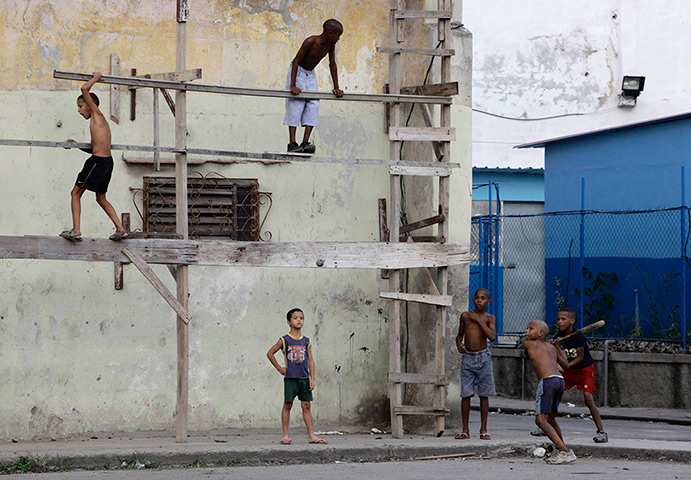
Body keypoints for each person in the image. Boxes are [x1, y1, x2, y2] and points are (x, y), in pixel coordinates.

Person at [61, 72, 128, 242]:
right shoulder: (100, 122)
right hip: (106, 161)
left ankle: (76, 230)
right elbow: (97, 149)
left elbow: (84, 88)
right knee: (100, 197)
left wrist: (96, 77)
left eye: (81, 106)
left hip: (97, 162)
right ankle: (121, 229)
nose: (79, 110)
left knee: (75, 193)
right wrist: (76, 144)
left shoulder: (97, 114)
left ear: (91, 105)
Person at [266, 308, 327, 445]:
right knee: (288, 404)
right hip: (291, 378)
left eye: (301, 318)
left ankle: (311, 435)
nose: (299, 320)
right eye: (295, 318)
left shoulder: (306, 341)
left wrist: (312, 378)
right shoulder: (284, 340)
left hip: (304, 378)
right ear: (289, 322)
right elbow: (270, 353)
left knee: (306, 405)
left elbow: (310, 360)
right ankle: (285, 435)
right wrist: (279, 368)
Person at [284, 18, 344, 154]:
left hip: (310, 73)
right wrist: (292, 85)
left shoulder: (330, 46)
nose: (338, 39)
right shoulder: (311, 41)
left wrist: (337, 87)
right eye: (338, 36)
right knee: (296, 103)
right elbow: (296, 62)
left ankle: (305, 142)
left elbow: (332, 64)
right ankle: (292, 144)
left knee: (314, 103)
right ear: (329, 33)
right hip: (298, 71)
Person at [524, 320, 576, 465]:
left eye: (530, 329)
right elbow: (565, 365)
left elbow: (527, 353)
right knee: (551, 420)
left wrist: (553, 345)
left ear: (540, 333)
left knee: (540, 420)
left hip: (547, 381)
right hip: (559, 380)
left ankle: (565, 452)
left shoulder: (528, 344)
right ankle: (562, 449)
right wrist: (557, 347)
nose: (526, 331)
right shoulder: (551, 348)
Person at [552, 307, 608, 443]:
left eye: (563, 319)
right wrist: (556, 346)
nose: (560, 322)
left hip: (584, 369)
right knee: (552, 393)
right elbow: (562, 357)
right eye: (558, 319)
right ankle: (545, 425)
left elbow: (580, 357)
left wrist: (565, 366)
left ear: (572, 321)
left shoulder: (579, 337)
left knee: (588, 399)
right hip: (569, 370)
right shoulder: (558, 337)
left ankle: (602, 432)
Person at [454, 288, 496, 440]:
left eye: (483, 298)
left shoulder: (489, 318)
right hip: (468, 358)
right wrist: (459, 344)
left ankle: (483, 429)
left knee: (484, 395)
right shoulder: (465, 316)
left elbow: (492, 337)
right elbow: (459, 336)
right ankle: (465, 429)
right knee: (466, 394)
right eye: (477, 298)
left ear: (488, 302)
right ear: (473, 300)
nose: (479, 300)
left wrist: (479, 320)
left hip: (483, 358)